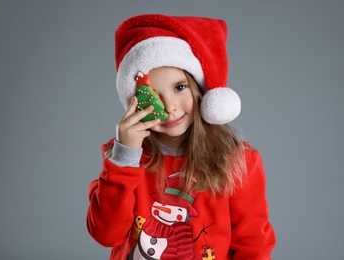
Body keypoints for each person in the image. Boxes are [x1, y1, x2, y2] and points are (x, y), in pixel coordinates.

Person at [87, 14, 276, 259]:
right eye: (152, 94)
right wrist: (125, 158)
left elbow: (253, 247)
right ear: (134, 102)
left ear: (199, 89)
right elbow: (106, 235)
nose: (170, 106)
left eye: (179, 87)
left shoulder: (240, 161)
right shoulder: (123, 159)